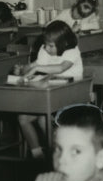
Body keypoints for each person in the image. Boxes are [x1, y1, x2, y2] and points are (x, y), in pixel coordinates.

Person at [19, 21, 84, 159]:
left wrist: (36, 68)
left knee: (44, 119)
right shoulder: (45, 49)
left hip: (72, 93)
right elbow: (36, 64)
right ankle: (38, 155)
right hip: (50, 93)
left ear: (64, 43)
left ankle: (56, 153)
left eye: (51, 46)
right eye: (46, 44)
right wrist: (25, 68)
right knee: (23, 118)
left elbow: (61, 68)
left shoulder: (72, 50)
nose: (47, 48)